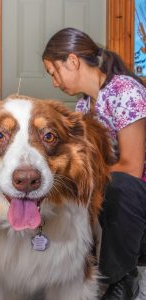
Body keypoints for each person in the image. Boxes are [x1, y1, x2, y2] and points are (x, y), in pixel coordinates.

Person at [42, 27, 146, 300]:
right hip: (119, 202)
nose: (54, 82)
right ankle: (68, 260)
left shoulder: (125, 91)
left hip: (136, 196)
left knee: (120, 184)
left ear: (73, 61)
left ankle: (122, 277)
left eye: (54, 72)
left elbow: (134, 168)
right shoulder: (84, 106)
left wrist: (85, 175)